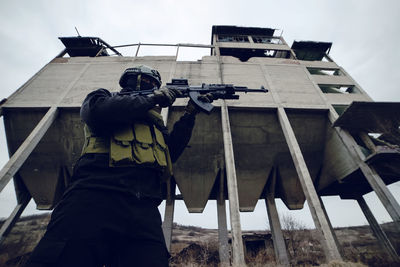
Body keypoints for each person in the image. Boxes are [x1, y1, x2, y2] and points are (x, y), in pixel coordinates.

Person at [26, 65, 206, 267]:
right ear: (131, 82)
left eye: (155, 86)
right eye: (148, 84)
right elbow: (97, 113)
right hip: (94, 197)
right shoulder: (102, 98)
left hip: (143, 207)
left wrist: (190, 114)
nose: (153, 88)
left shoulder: (155, 125)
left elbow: (170, 154)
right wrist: (153, 98)